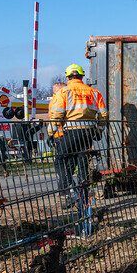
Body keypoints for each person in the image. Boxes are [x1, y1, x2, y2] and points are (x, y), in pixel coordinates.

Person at [48, 64, 108, 210]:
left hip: (71, 132)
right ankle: (83, 194)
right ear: (82, 76)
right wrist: (98, 131)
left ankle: (68, 193)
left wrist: (51, 133)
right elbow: (103, 115)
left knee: (61, 160)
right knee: (83, 163)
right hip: (88, 134)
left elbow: (57, 115)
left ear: (68, 77)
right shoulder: (94, 92)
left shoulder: (64, 92)